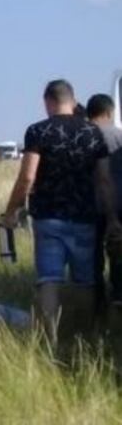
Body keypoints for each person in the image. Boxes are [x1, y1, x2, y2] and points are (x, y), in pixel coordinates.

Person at [1, 80, 117, 342]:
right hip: (85, 216)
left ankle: (50, 338)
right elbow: (104, 180)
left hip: (49, 217)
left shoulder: (38, 131)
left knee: (49, 279)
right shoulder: (93, 133)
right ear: (73, 101)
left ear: (48, 101)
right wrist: (110, 218)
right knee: (84, 281)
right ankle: (83, 336)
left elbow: (27, 177)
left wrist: (12, 210)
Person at [86, 93, 122, 307]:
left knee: (93, 258)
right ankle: (118, 295)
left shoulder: (84, 138)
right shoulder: (119, 137)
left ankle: (97, 303)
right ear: (109, 112)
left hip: (90, 206)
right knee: (118, 254)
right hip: (120, 205)